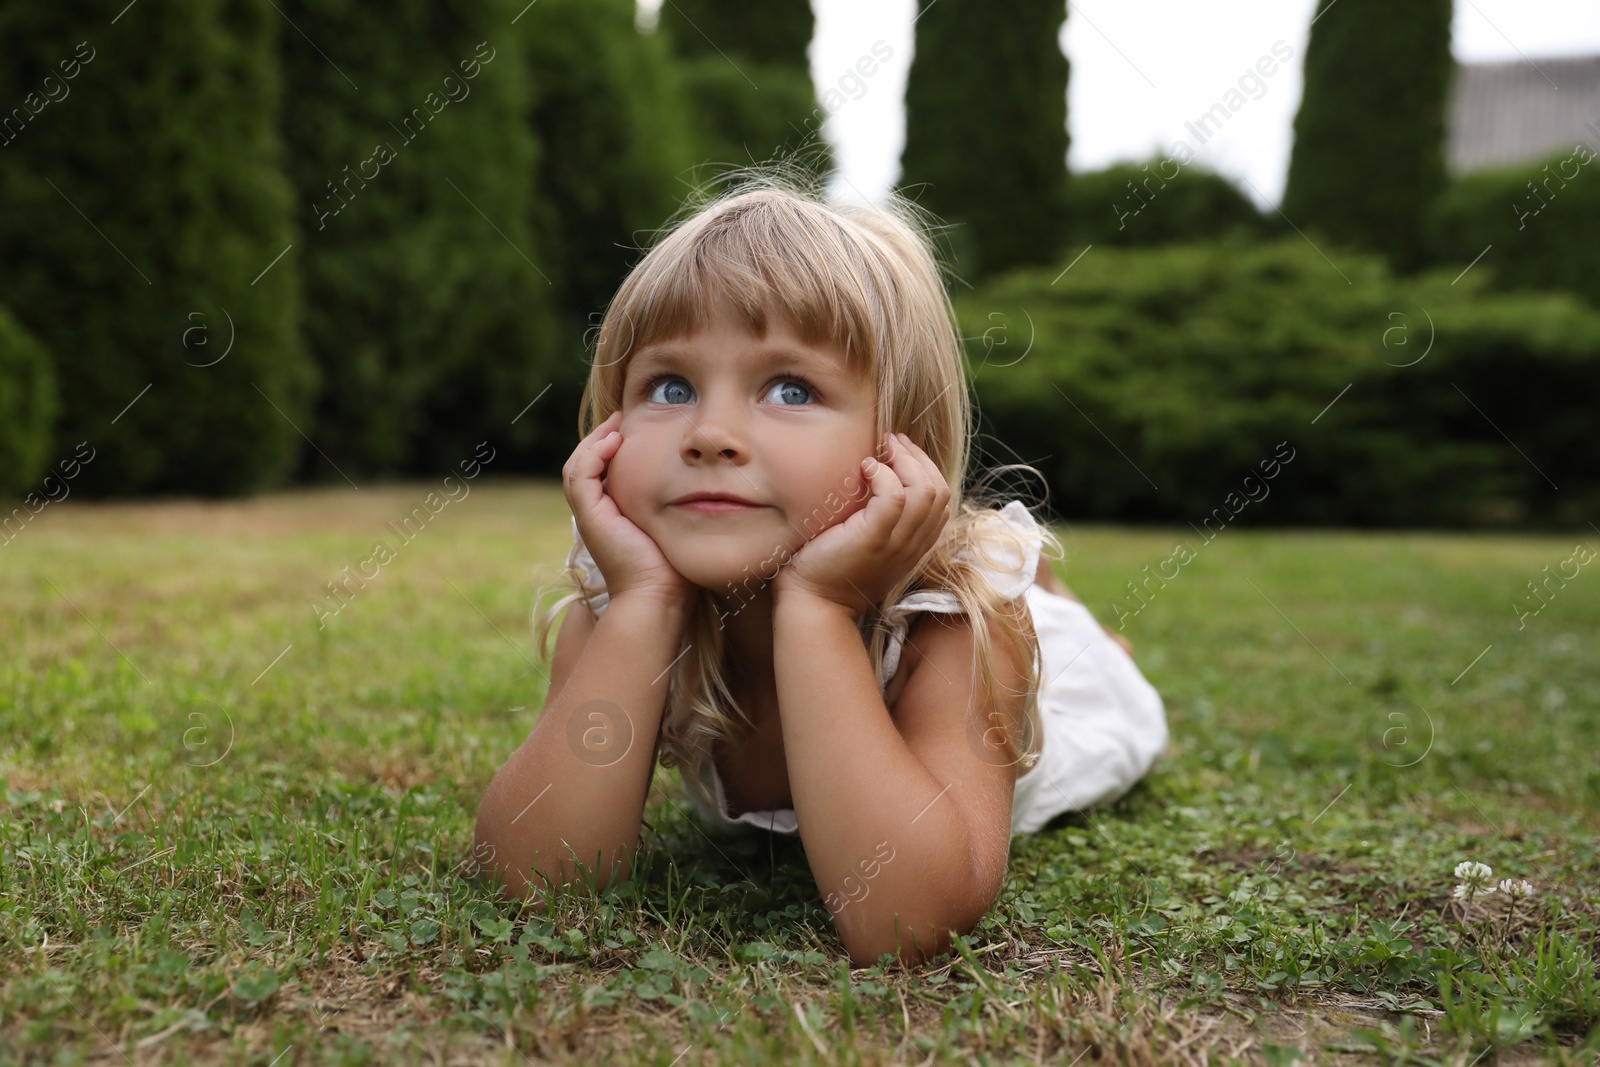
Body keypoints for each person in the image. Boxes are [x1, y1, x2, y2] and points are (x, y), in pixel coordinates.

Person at [473, 176, 1168, 966]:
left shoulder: (954, 628)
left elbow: (905, 922)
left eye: (790, 388)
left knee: (1082, 655)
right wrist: (644, 603)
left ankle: (1063, 609)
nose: (710, 434)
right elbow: (530, 880)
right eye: (670, 387)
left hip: (1066, 702)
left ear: (898, 443)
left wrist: (818, 608)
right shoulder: (616, 602)